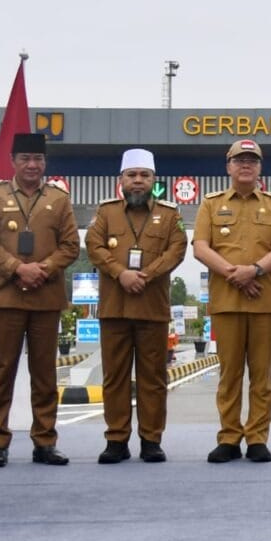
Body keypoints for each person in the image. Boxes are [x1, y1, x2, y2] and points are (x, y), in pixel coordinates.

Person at [0, 133, 80, 469]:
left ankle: (45, 441)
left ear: (45, 163)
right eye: (25, 159)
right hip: (6, 296)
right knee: (2, 370)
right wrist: (18, 268)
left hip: (46, 297)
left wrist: (43, 269)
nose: (32, 165)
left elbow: (70, 246)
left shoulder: (59, 199)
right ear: (13, 161)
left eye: (38, 159)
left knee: (45, 373)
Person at [85, 149, 187, 464]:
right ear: (122, 180)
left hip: (152, 309)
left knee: (153, 378)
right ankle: (116, 439)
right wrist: (121, 274)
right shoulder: (106, 213)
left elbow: (177, 249)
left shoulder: (170, 215)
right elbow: (94, 246)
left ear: (154, 180)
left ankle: (151, 440)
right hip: (114, 309)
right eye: (132, 175)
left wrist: (146, 275)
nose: (138, 181)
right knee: (114, 377)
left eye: (144, 175)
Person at [193, 139, 271, 463]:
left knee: (261, 375)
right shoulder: (210, 203)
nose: (245, 165)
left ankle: (258, 438)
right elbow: (201, 247)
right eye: (239, 160)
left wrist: (255, 270)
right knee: (230, 373)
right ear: (228, 166)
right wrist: (234, 274)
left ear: (260, 167)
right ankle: (229, 437)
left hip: (264, 300)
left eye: (252, 160)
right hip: (226, 299)